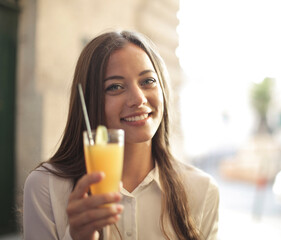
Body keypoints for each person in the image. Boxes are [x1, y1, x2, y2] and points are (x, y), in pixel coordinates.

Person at [23, 30, 219, 240]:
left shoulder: (202, 190)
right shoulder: (45, 186)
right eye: (115, 87)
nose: (138, 99)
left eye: (148, 81)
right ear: (90, 101)